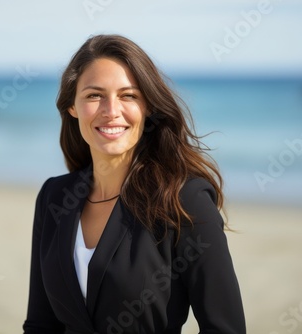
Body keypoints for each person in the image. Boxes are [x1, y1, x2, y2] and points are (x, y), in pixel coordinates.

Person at [23, 34, 246, 334]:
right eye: (94, 95)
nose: (111, 110)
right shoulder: (54, 196)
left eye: (128, 95)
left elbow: (224, 328)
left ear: (148, 107)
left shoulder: (184, 200)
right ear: (72, 107)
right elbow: (41, 325)